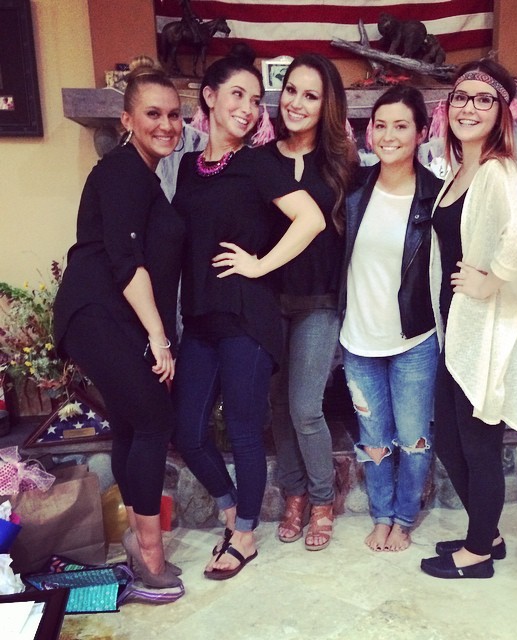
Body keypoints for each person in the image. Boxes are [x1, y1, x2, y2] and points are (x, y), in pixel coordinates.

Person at [171, 46, 326, 580]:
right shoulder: (188, 167)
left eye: (256, 100)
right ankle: (232, 509)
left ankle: (244, 537)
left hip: (247, 318)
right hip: (200, 318)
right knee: (189, 432)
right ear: (209, 98)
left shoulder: (258, 164)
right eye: (237, 95)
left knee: (241, 429)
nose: (248, 108)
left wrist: (259, 265)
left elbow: (311, 220)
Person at [53, 61, 185, 591]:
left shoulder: (142, 176)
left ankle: (137, 538)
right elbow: (127, 261)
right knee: (154, 419)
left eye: (174, 115)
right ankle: (150, 554)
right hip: (97, 312)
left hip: (110, 315)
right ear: (127, 119)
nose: (166, 125)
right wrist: (159, 337)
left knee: (133, 424)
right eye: (153, 114)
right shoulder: (123, 170)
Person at [420, 59, 517, 579]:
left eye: (483, 99)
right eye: (461, 97)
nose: (469, 108)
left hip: (485, 331)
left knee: (477, 444)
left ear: (501, 112)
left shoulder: (496, 170)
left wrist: (491, 281)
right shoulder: (459, 172)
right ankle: (485, 533)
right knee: (451, 441)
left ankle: (479, 555)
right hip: (458, 330)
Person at [339, 85, 442, 552]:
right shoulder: (353, 188)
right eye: (380, 125)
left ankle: (404, 518)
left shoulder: (435, 196)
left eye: (401, 126)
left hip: (414, 340)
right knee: (374, 438)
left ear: (421, 132)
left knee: (414, 437)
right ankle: (381, 515)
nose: (388, 135)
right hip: (358, 339)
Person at [264, 54, 357, 551]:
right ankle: (294, 495)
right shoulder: (262, 159)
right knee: (278, 405)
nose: (297, 102)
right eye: (291, 91)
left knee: (304, 406)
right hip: (269, 300)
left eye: (311, 95)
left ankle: (322, 499)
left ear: (327, 105)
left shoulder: (342, 164)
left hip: (319, 302)